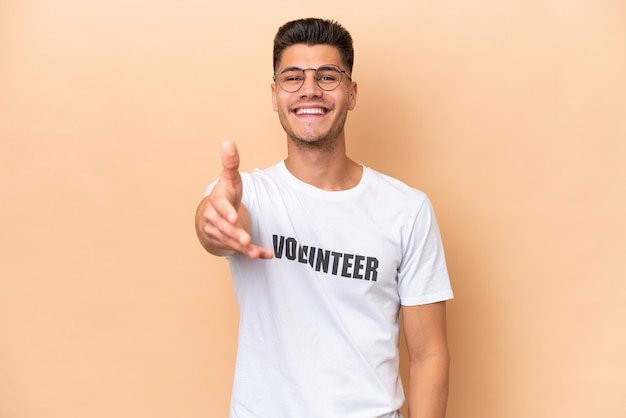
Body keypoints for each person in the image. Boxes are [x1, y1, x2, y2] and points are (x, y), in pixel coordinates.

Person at [195, 17, 453, 418]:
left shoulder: (407, 209)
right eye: (293, 77)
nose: (310, 90)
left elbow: (429, 355)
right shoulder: (251, 196)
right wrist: (215, 219)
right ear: (275, 94)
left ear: (351, 94)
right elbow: (219, 221)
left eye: (327, 76)